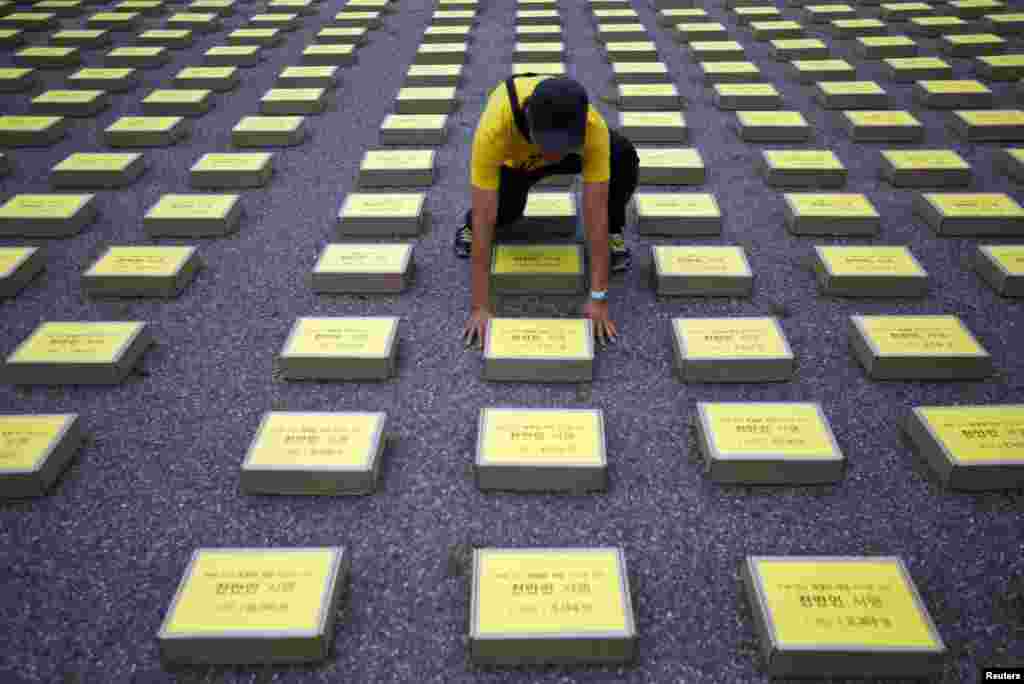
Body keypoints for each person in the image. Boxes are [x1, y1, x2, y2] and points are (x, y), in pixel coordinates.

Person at [456, 74, 640, 349]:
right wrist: (480, 307)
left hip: (571, 155)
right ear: (529, 121)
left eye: (562, 145)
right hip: (516, 163)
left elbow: (595, 211)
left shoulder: (592, 128)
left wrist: (598, 297)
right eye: (548, 145)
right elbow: (486, 216)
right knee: (502, 214)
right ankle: (465, 228)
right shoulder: (495, 128)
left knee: (622, 155)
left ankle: (615, 234)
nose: (553, 155)